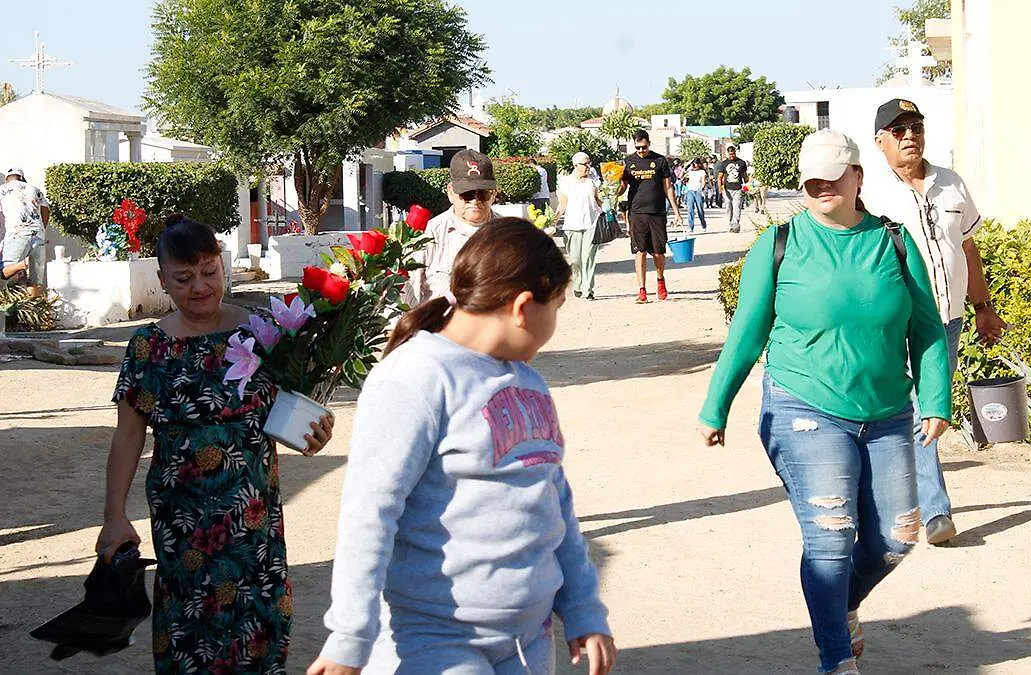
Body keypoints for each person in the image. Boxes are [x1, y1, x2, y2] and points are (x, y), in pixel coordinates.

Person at [308, 218, 616, 675]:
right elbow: (370, 512)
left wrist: (583, 606)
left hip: (529, 641)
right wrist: (350, 637)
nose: (555, 323)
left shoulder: (528, 382)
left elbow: (556, 502)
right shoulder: (416, 377)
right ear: (522, 307)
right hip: (435, 641)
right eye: (557, 307)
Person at [698, 129, 951, 675]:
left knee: (895, 538)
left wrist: (935, 398)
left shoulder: (894, 241)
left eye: (833, 177)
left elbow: (928, 329)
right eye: (811, 180)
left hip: (887, 411)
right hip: (802, 406)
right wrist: (716, 405)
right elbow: (747, 332)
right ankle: (836, 660)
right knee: (831, 536)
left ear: (857, 177)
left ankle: (842, 605)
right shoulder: (779, 243)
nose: (821, 187)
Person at [97, 215, 335, 673]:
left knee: (259, 630)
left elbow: (291, 411)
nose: (200, 286)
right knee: (190, 636)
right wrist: (114, 517)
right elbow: (127, 436)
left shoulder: (265, 334)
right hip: (182, 524)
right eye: (184, 278)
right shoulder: (148, 347)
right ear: (162, 279)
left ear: (223, 266)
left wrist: (314, 433)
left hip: (254, 522)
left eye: (209, 271)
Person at [865, 98, 1008, 546]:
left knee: (929, 411)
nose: (910, 136)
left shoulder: (951, 184)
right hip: (895, 323)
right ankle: (934, 510)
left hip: (947, 320)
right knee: (913, 411)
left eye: (916, 127)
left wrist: (983, 307)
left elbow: (967, 248)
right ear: (880, 141)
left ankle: (902, 498)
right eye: (899, 130)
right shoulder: (870, 194)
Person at [406, 150, 498, 306]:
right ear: (450, 192)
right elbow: (408, 292)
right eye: (467, 194)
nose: (475, 201)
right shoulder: (430, 233)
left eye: (483, 194)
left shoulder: (508, 234)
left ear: (493, 194)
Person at [619, 129, 682, 303]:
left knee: (658, 252)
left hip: (657, 212)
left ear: (649, 144)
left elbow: (668, 187)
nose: (641, 151)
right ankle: (642, 290)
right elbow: (623, 188)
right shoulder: (628, 162)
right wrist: (612, 188)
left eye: (644, 147)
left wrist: (676, 211)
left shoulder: (660, 160)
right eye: (638, 148)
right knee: (639, 251)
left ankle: (660, 280)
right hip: (636, 212)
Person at [558, 151, 603, 300]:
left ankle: (588, 290)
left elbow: (599, 200)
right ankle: (578, 285)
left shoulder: (593, 181)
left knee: (589, 258)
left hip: (591, 224)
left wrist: (607, 204)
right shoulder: (566, 182)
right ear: (575, 165)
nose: (588, 166)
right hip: (572, 225)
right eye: (585, 164)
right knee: (576, 260)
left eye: (589, 163)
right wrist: (552, 219)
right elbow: (562, 203)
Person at [0, 167, 50, 297]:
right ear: (22, 177)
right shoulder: (35, 189)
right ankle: (34, 307)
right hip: (38, 236)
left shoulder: (2, 190)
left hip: (17, 234)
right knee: (34, 281)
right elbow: (45, 210)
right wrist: (42, 230)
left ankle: (23, 264)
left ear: (6, 179)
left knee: (3, 273)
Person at [716, 146, 749, 233]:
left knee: (737, 207)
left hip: (738, 189)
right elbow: (720, 177)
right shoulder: (724, 163)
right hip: (727, 189)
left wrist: (747, 184)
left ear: (735, 152)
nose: (732, 156)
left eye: (733, 154)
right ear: (727, 153)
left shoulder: (741, 163)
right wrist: (720, 189)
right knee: (728, 208)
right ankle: (731, 225)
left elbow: (745, 176)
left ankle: (736, 226)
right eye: (730, 154)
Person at [684, 158, 709, 232]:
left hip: (698, 191)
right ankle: (690, 226)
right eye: (693, 164)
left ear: (699, 164)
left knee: (700, 209)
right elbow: (682, 174)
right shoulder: (690, 171)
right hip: (690, 191)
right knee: (690, 209)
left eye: (695, 164)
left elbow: (703, 181)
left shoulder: (702, 172)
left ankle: (703, 225)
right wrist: (688, 163)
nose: (693, 165)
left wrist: (701, 188)